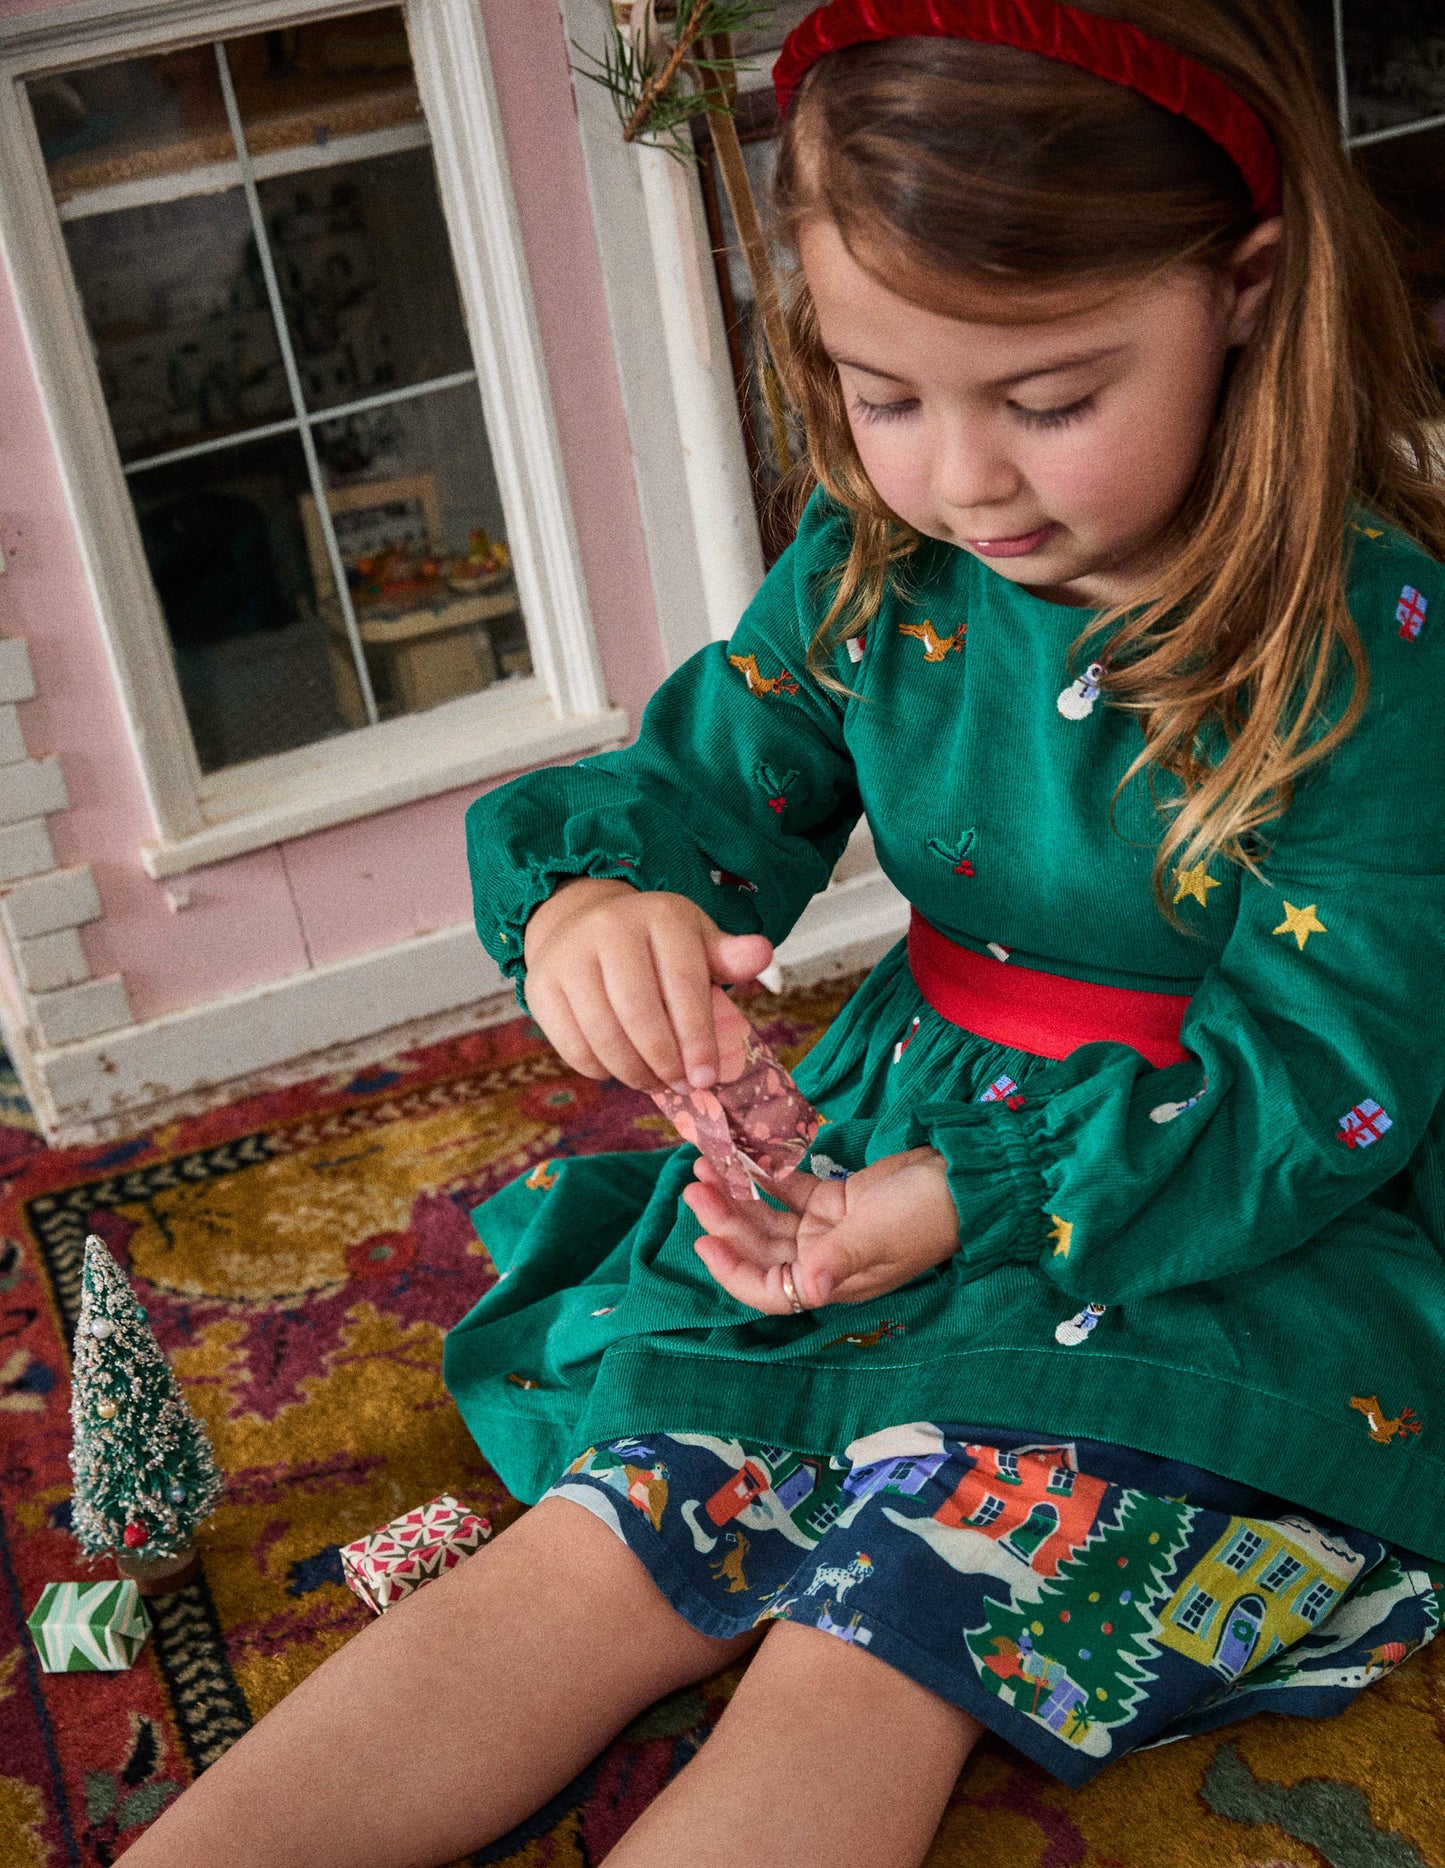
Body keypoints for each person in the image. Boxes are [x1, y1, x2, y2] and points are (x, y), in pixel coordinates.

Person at [124, 3, 1445, 1864]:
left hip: (1215, 1205)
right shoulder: (881, 565)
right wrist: (606, 899)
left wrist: (970, 1196)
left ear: (1245, 289)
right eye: (883, 395)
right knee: (598, 1545)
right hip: (879, 1160)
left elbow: (1325, 1074)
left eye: (1049, 401)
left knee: (891, 1618)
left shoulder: (1377, 659)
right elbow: (702, 789)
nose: (957, 480)